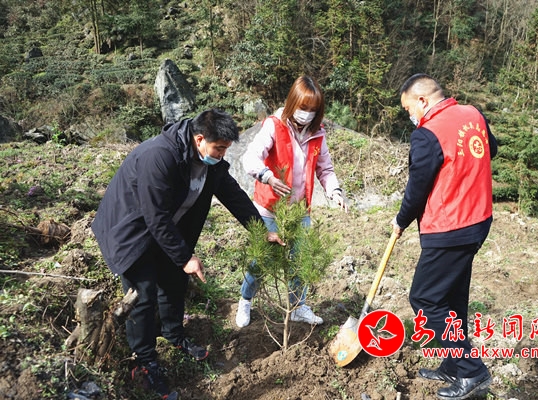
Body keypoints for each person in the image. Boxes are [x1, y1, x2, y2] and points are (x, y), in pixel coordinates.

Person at [92, 109, 282, 399]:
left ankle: (173, 334)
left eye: (226, 149)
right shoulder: (160, 156)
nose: (222, 155)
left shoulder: (210, 161)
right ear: (200, 139)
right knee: (142, 293)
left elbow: (231, 193)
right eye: (219, 148)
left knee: (174, 281)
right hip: (129, 229)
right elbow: (155, 216)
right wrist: (185, 257)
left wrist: (260, 230)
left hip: (166, 227)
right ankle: (144, 361)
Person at [391, 74, 497, 400]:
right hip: (478, 219)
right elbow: (490, 149)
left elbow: (417, 187)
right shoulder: (473, 114)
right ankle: (453, 365)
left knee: (425, 300)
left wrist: (401, 220)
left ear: (422, 100)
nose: (411, 115)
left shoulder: (427, 133)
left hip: (450, 227)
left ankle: (471, 371)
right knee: (452, 299)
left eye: (409, 108)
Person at [235, 75, 349, 328]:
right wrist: (267, 176)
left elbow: (325, 169)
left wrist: (334, 191)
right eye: (303, 107)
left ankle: (297, 306)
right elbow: (250, 157)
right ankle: (245, 300)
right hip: (269, 208)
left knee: (301, 260)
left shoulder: (317, 134)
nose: (307, 114)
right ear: (292, 102)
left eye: (312, 109)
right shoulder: (274, 126)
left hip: (300, 209)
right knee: (262, 260)